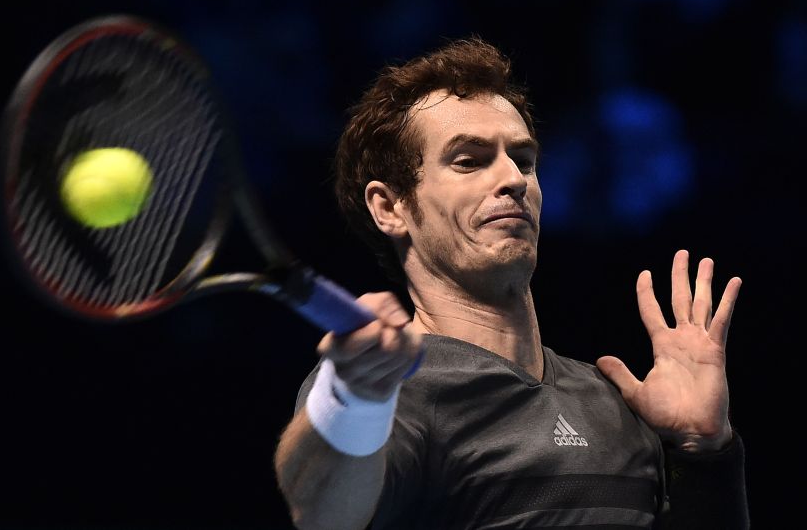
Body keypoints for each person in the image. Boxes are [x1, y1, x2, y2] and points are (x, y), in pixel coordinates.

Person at [273, 37, 748, 529]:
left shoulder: (617, 403)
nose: (514, 179)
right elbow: (322, 513)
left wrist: (703, 452)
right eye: (469, 160)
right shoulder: (393, 390)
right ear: (390, 207)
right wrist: (353, 397)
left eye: (523, 160)